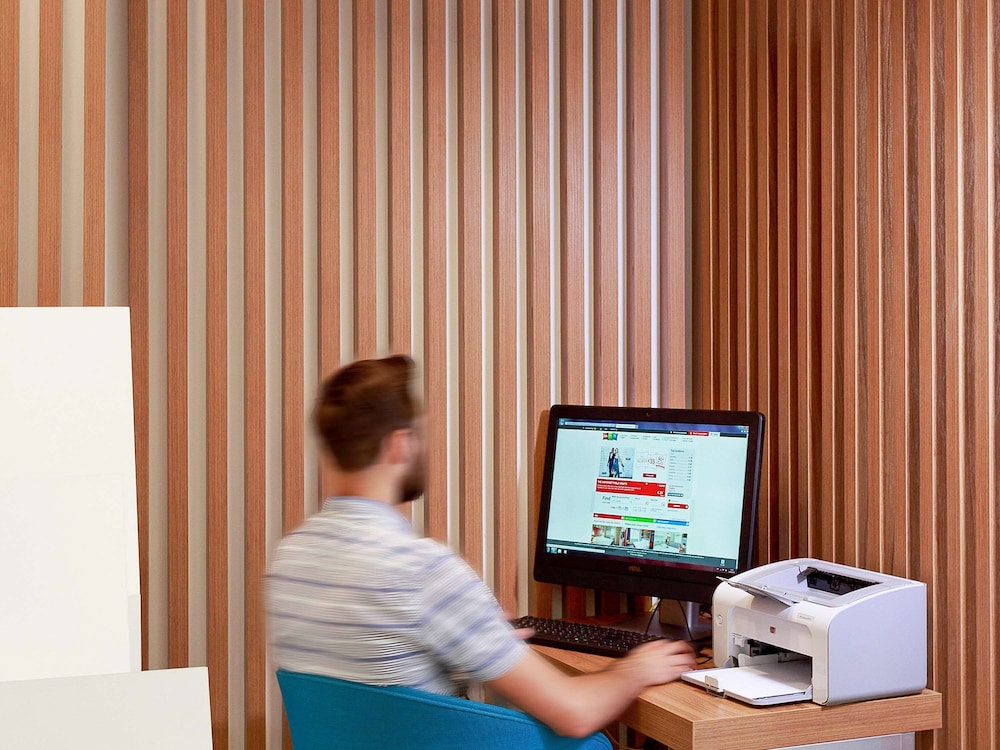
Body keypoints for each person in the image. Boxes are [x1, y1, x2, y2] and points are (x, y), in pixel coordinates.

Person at [265, 355, 695, 739]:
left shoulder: (290, 559)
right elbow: (574, 713)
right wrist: (634, 668)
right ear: (399, 444)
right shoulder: (424, 571)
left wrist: (472, 635)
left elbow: (370, 684)